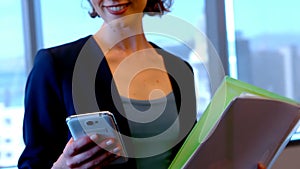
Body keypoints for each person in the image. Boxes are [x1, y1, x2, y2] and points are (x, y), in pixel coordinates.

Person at [18, 0, 197, 168]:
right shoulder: (56, 66)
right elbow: (33, 163)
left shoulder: (180, 70)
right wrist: (64, 166)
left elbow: (193, 155)